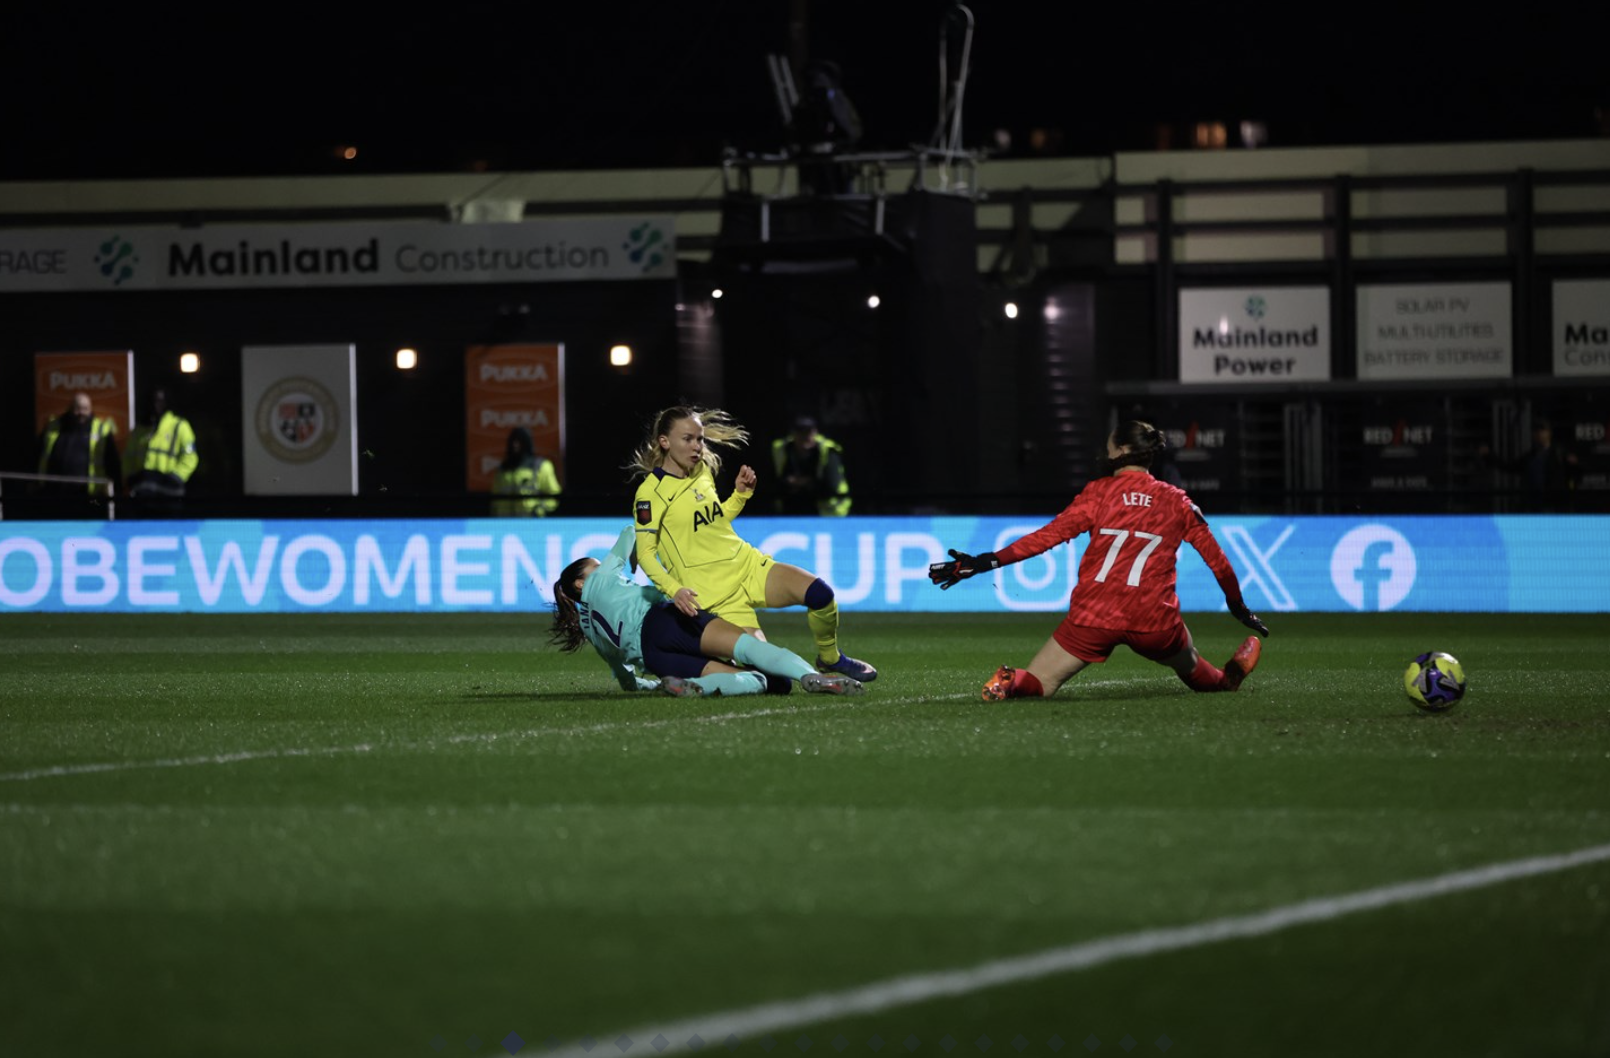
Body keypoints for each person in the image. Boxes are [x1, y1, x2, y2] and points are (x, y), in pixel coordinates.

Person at [929, 420, 1270, 701]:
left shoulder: (1098, 493)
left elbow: (1045, 539)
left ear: (1122, 450)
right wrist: (1239, 608)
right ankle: (1227, 678)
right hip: (1154, 621)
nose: (1104, 450)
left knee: (1038, 683)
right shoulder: (1177, 502)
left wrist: (985, 562)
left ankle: (1010, 679)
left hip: (1094, 616)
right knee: (1196, 670)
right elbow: (1219, 563)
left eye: (1109, 445)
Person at [628, 404, 877, 681]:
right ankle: (703, 663)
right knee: (771, 677)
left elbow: (715, 520)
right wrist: (674, 590)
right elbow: (646, 553)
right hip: (715, 597)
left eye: (699, 438)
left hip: (747, 567)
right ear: (664, 441)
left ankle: (830, 659)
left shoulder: (701, 471)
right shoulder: (651, 493)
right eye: (688, 439)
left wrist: (740, 495)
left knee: (821, 595)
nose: (697, 446)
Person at [549, 526, 866, 698]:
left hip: (656, 660)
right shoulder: (604, 577)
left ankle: (693, 688)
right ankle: (810, 677)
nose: (601, 567)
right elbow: (631, 532)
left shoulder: (590, 629)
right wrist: (632, 559)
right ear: (580, 582)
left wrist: (655, 684)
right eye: (595, 565)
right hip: (665, 622)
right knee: (749, 647)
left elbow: (625, 680)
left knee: (755, 681)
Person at [36, 391, 121, 513]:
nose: (81, 413)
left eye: (85, 409)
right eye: (77, 409)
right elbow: (38, 453)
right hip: (55, 494)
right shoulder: (53, 426)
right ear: (69, 408)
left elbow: (113, 462)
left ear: (91, 409)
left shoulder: (102, 429)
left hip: (90, 496)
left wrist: (115, 490)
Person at [1480, 418, 1578, 512]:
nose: (1539, 434)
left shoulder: (1559, 454)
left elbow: (1575, 472)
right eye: (1536, 431)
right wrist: (1489, 456)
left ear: (1549, 433)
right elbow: (1509, 467)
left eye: (1542, 430)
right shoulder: (1529, 457)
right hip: (1534, 507)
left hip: (1555, 507)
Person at [125, 387, 198, 507]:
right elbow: (128, 457)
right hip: (143, 493)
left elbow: (190, 457)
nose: (156, 405)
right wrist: (130, 477)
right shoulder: (139, 430)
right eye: (153, 401)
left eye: (160, 401)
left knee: (170, 525)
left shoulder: (179, 426)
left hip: (170, 493)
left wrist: (176, 477)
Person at [770, 416, 852, 516]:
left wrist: (805, 483)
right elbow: (774, 482)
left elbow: (832, 485)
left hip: (827, 510)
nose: (805, 437)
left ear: (815, 432)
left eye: (808, 432)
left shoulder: (827, 450)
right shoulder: (781, 449)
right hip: (791, 507)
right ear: (793, 434)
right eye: (801, 432)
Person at [491, 426, 562, 516]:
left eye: (519, 441)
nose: (515, 445)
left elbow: (554, 494)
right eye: (513, 441)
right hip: (505, 524)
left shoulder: (540, 466)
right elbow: (494, 499)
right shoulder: (502, 469)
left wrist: (539, 509)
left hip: (530, 524)